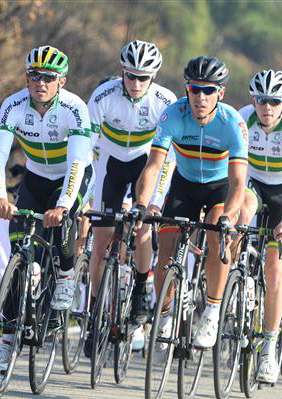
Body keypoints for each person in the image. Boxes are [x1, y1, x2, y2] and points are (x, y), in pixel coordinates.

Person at [0, 45, 94, 370]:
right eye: (35, 75)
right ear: (27, 77)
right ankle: (7, 340)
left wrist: (63, 206)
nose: (41, 82)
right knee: (19, 253)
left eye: (48, 77)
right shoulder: (13, 106)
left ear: (61, 80)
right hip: (35, 175)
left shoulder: (75, 109)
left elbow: (77, 163)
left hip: (70, 176)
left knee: (60, 225)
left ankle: (64, 274)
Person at [134, 56, 248, 354]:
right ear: (187, 89)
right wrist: (142, 204)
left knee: (216, 232)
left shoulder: (231, 123)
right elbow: (153, 165)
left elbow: (238, 182)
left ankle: (211, 311)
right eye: (195, 89)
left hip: (219, 189)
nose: (200, 97)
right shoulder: (173, 115)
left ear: (220, 93)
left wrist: (230, 215)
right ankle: (164, 315)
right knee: (166, 250)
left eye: (208, 90)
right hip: (183, 185)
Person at [83, 40, 176, 356]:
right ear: (121, 71)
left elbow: (167, 160)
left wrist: (153, 201)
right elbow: (86, 148)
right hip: (108, 164)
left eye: (143, 78)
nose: (136, 84)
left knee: (143, 226)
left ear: (154, 76)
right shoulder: (103, 96)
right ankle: (95, 310)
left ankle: (140, 286)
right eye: (130, 75)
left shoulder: (166, 102)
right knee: (100, 242)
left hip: (145, 164)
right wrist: (85, 193)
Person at [234, 69, 282, 383]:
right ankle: (230, 283)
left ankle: (269, 348)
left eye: (274, 101)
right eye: (262, 100)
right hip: (254, 185)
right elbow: (233, 167)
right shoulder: (243, 118)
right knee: (239, 215)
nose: (267, 107)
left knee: (275, 270)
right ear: (253, 100)